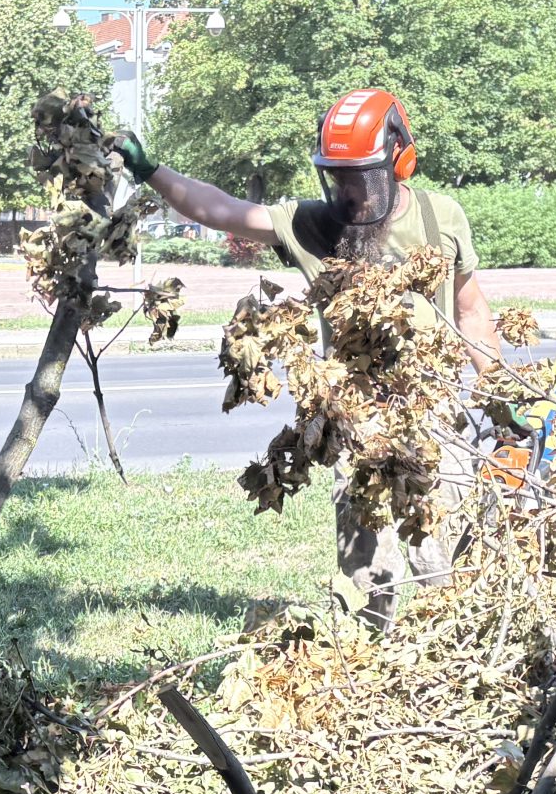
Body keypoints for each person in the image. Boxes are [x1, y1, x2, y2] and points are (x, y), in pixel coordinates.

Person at [118, 89, 500, 613]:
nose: (349, 191)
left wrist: (500, 393)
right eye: (338, 177)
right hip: (355, 418)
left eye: (361, 177)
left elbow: (470, 310)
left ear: (398, 159)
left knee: (446, 560)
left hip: (435, 412)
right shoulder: (312, 224)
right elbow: (220, 210)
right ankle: (369, 647)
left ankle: (455, 640)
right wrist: (149, 170)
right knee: (367, 570)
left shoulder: (441, 216)